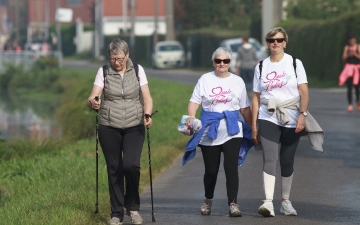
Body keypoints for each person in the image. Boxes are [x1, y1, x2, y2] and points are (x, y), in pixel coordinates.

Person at [251, 27, 324, 217]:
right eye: (271, 40)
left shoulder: (294, 63)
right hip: (268, 116)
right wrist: (253, 125)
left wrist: (303, 115)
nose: (275, 43)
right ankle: (268, 202)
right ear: (267, 43)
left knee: (287, 160)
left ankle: (285, 201)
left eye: (279, 40)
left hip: (292, 116)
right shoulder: (260, 66)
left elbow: (304, 92)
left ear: (285, 42)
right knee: (270, 158)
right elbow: (256, 97)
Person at [87, 38, 153, 225]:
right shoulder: (104, 71)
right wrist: (93, 102)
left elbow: (147, 97)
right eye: (113, 58)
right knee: (114, 169)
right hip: (109, 126)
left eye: (120, 58)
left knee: (131, 165)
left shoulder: (138, 71)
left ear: (127, 55)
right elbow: (93, 95)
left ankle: (133, 207)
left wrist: (147, 114)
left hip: (134, 125)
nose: (116, 62)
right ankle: (116, 213)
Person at [182, 47, 253, 217]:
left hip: (232, 129)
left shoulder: (238, 81)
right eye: (218, 61)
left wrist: (253, 129)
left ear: (231, 63)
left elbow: (244, 108)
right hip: (209, 130)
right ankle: (208, 199)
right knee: (211, 170)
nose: (222, 64)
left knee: (231, 168)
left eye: (226, 61)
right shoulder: (205, 79)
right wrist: (191, 117)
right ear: (213, 62)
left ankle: (233, 204)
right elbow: (194, 102)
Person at [338, 34, 360, 112]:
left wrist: (355, 54)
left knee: (357, 87)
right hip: (349, 69)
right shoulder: (346, 48)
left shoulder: (358, 47)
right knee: (349, 87)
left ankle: (358, 101)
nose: (352, 41)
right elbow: (343, 58)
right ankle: (350, 104)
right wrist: (348, 55)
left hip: (357, 69)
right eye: (351, 40)